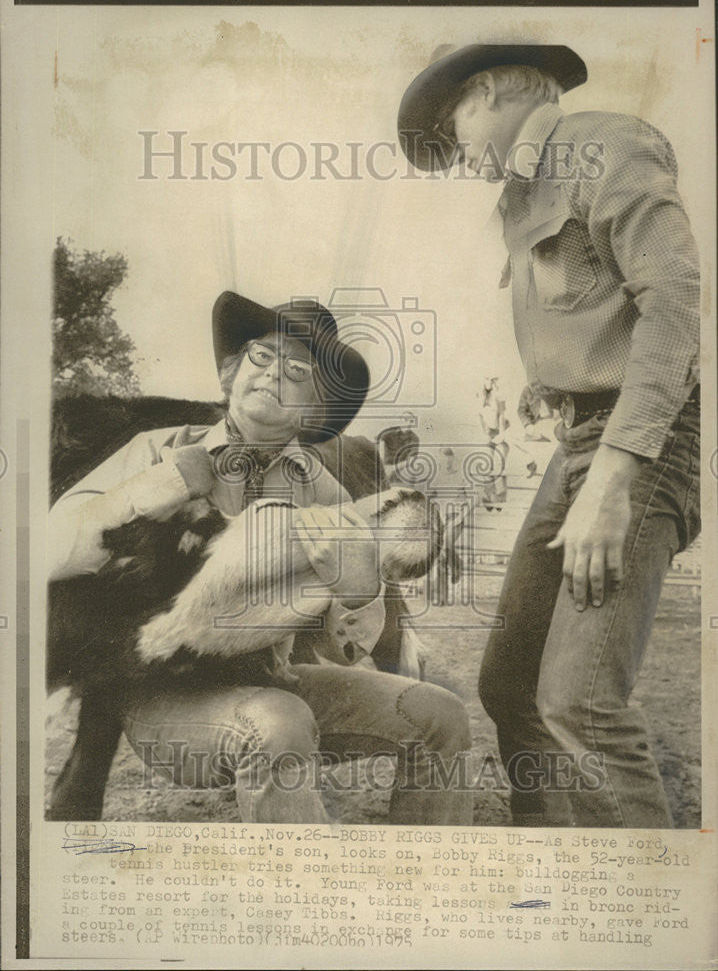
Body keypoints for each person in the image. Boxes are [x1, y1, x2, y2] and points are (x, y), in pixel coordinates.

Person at [398, 44, 700, 827]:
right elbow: (591, 312)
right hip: (578, 445)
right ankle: (556, 870)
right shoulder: (522, 189)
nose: (449, 148)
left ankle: (655, 915)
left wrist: (613, 478)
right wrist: (548, 387)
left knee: (584, 704)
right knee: (510, 683)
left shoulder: (606, 144)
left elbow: (673, 306)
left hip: (639, 447)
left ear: (492, 89)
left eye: (449, 121)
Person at [47, 292, 473, 825]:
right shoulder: (158, 448)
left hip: (274, 680)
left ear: (315, 406)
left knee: (441, 715)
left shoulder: (326, 494)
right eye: (261, 355)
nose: (274, 373)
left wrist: (361, 592)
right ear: (231, 373)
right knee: (278, 721)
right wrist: (143, 493)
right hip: (163, 699)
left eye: (297, 369)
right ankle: (299, 893)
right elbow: (45, 553)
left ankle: (425, 883)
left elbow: (343, 649)